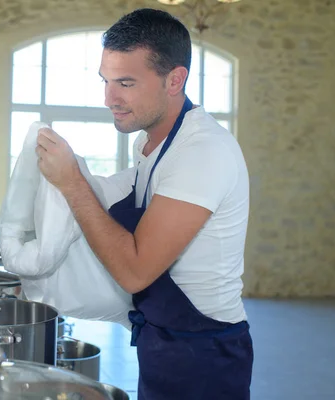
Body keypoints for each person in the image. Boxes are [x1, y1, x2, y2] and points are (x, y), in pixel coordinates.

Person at [35, 8, 254, 400]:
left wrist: (70, 182)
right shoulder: (152, 143)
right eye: (105, 81)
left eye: (126, 83)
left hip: (205, 356)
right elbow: (115, 194)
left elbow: (135, 272)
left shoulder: (202, 152)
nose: (109, 99)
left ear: (175, 79)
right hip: (164, 343)